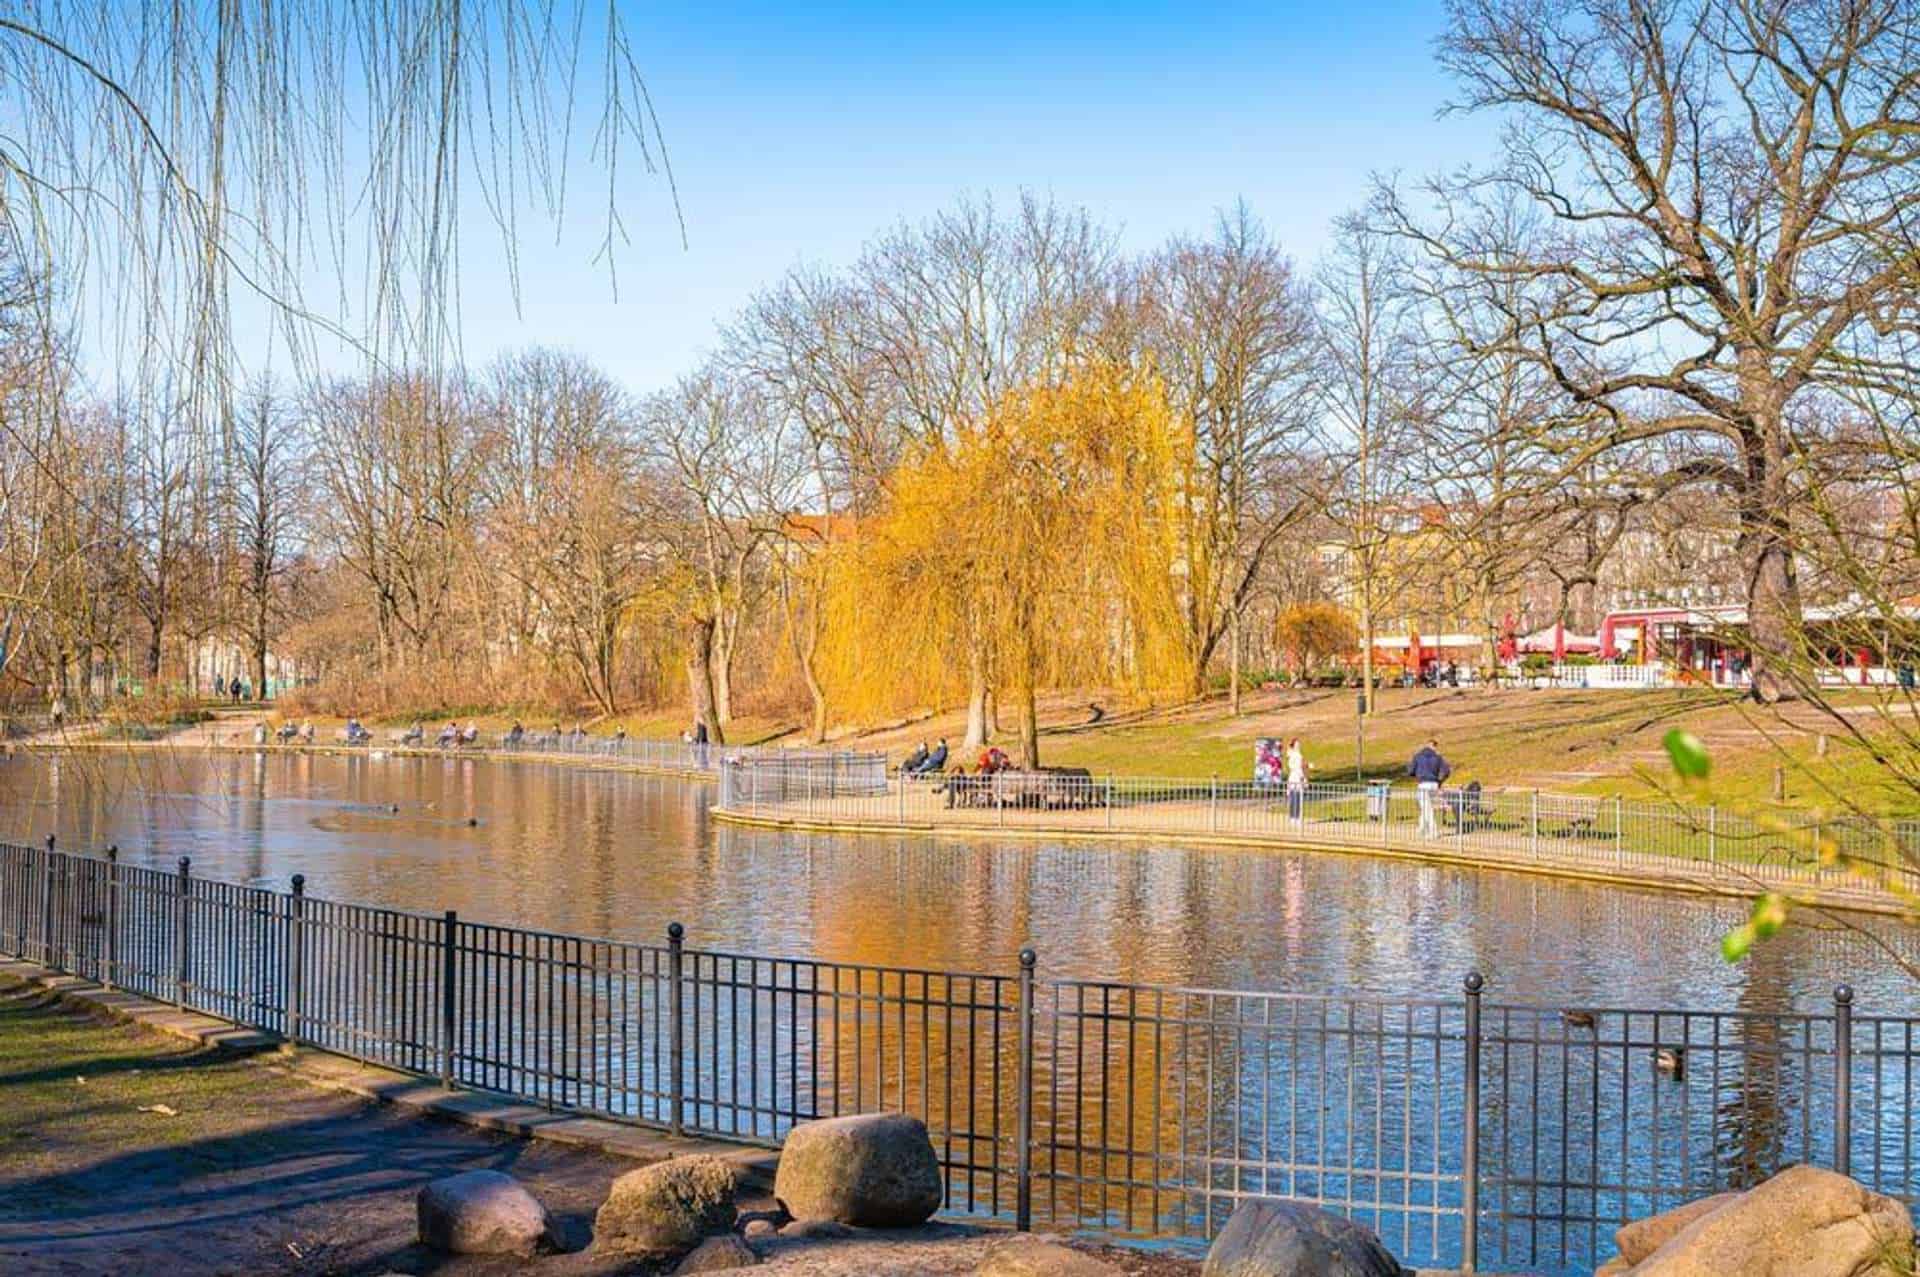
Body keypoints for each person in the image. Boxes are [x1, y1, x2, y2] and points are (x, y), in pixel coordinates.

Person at [1408, 738, 1452, 837]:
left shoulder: (1418, 756)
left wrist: (1417, 775)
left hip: (1423, 784)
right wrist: (1440, 781)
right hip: (1434, 784)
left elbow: (1410, 771)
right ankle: (1421, 830)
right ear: (1434, 746)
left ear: (1426, 745)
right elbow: (1447, 771)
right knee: (1427, 807)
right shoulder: (1438, 757)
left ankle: (1433, 831)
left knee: (1427, 808)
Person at [1285, 738, 1310, 821]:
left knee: (1294, 796)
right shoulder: (1296, 755)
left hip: (1294, 776)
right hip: (1297, 776)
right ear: (1294, 746)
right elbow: (1301, 766)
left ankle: (1294, 816)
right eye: (1297, 744)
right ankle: (1295, 816)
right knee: (1297, 796)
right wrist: (1307, 768)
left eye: (1299, 744)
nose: (1299, 746)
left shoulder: (1291, 754)